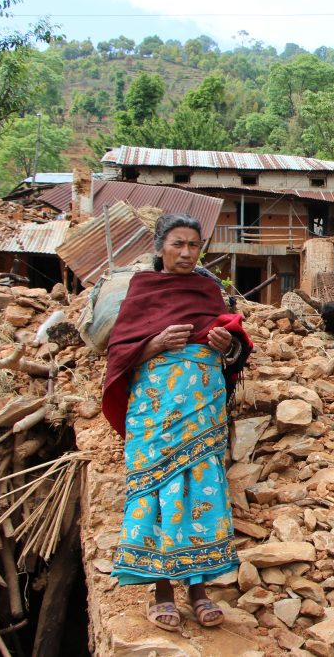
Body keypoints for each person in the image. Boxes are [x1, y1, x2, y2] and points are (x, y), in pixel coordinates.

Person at [102, 213, 251, 630]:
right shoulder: (143, 290)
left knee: (200, 490)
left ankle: (199, 591)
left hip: (203, 406)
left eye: (193, 245)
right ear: (159, 248)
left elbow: (235, 353)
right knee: (158, 489)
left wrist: (227, 345)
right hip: (156, 408)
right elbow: (118, 353)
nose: (186, 253)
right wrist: (153, 344)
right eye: (177, 244)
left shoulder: (209, 290)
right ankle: (162, 592)